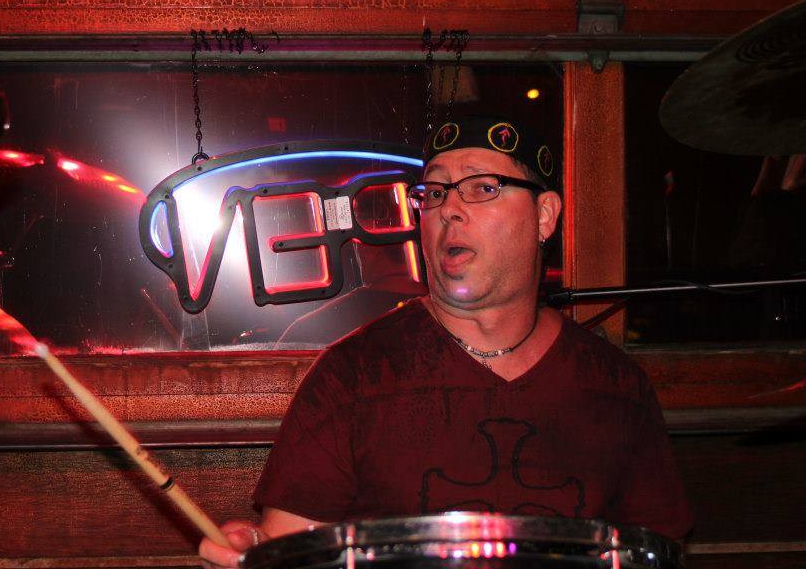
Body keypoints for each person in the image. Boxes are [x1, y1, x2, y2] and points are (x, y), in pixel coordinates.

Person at [200, 115, 693, 567]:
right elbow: (291, 548)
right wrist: (255, 549)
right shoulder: (353, 376)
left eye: (482, 187)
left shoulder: (615, 385)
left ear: (544, 215)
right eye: (434, 193)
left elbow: (654, 551)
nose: (450, 208)